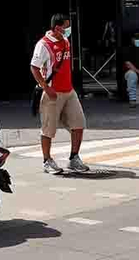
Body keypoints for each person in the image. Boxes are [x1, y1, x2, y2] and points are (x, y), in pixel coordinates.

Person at [29, 13, 88, 175]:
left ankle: (74, 158)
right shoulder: (43, 45)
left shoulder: (66, 41)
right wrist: (46, 88)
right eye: (66, 27)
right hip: (52, 93)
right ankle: (47, 160)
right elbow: (34, 67)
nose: (68, 30)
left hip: (69, 91)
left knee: (79, 124)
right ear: (57, 27)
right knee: (48, 129)